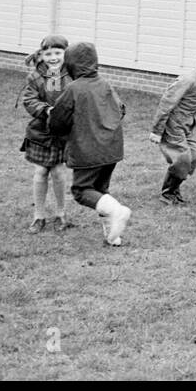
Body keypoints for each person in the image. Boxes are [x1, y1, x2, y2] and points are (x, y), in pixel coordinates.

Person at [48, 42, 132, 246]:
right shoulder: (105, 84)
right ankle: (113, 235)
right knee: (101, 190)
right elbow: (121, 109)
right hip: (111, 148)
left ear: (70, 65)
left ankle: (117, 212)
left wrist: (55, 122)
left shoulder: (74, 89)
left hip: (88, 150)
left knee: (82, 190)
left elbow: (58, 121)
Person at [151, 41, 196, 205]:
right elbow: (166, 102)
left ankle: (175, 188)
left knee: (195, 156)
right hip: (173, 124)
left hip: (188, 124)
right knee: (183, 158)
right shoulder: (188, 79)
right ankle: (167, 193)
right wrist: (156, 130)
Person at [17, 35, 73, 233]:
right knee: (40, 172)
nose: (53, 58)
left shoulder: (72, 75)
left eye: (58, 53)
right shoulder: (35, 76)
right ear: (41, 55)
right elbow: (29, 100)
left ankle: (61, 214)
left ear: (66, 54)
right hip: (41, 131)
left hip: (63, 133)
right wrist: (46, 110)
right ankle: (38, 216)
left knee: (58, 172)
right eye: (48, 54)